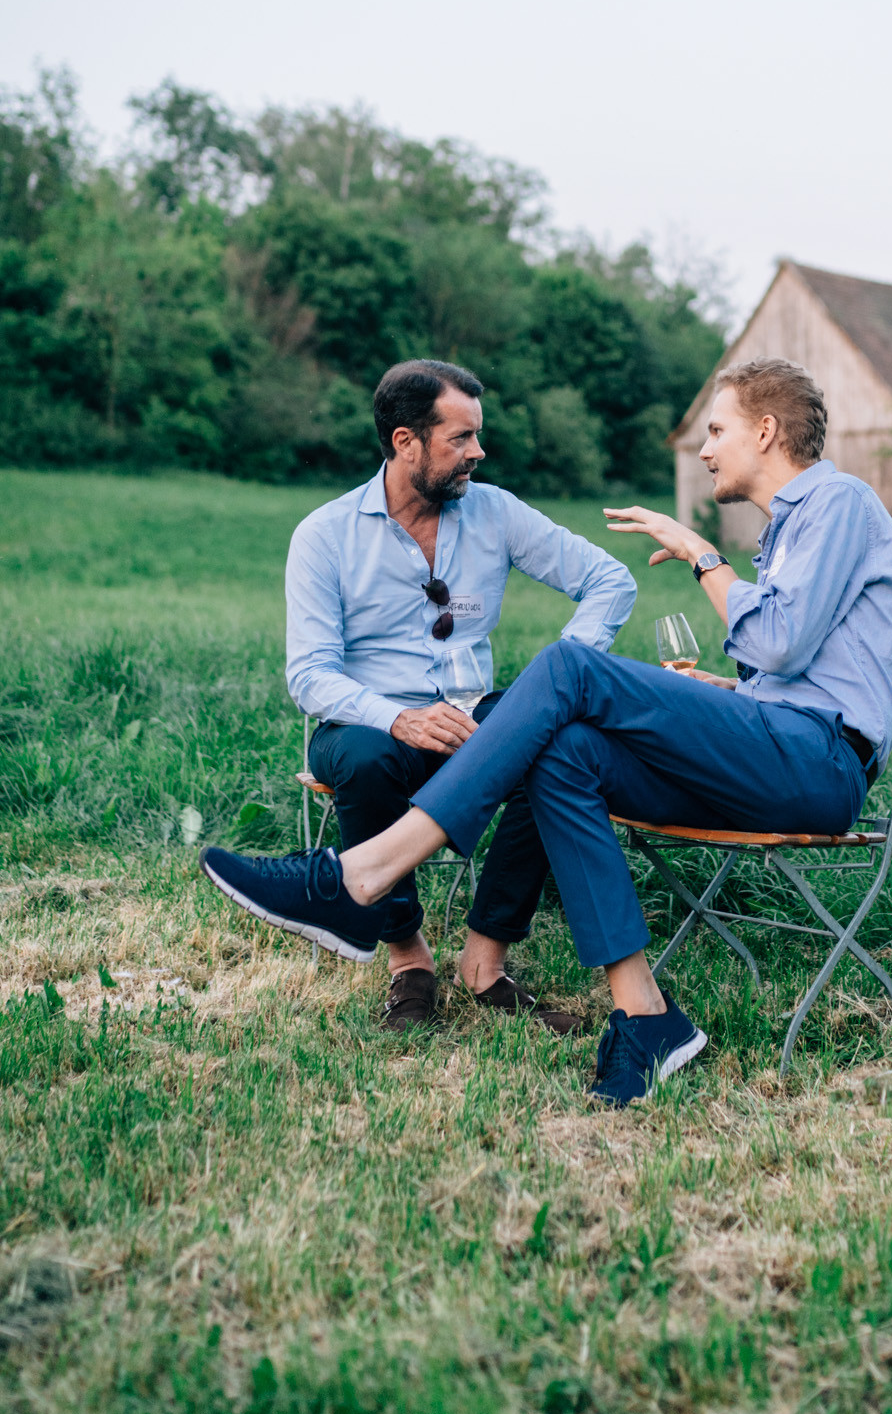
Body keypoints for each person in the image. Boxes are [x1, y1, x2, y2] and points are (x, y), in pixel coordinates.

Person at [201, 357, 892, 1102]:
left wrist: (702, 555)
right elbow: (792, 671)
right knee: (564, 751)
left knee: (569, 671)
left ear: (765, 432)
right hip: (773, 752)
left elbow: (779, 644)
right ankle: (646, 1016)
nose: (703, 449)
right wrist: (729, 691)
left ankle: (358, 876)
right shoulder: (792, 528)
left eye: (715, 430)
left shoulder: (838, 501)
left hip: (816, 765)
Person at [204, 357, 637, 1030]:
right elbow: (310, 675)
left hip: (472, 715)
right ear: (406, 442)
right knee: (367, 759)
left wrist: (559, 674)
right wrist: (398, 718)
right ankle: (408, 960)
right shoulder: (325, 534)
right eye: (461, 438)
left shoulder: (495, 511)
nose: (478, 452)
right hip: (369, 722)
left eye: (477, 435)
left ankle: (485, 959)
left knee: (559, 743)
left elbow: (610, 581)